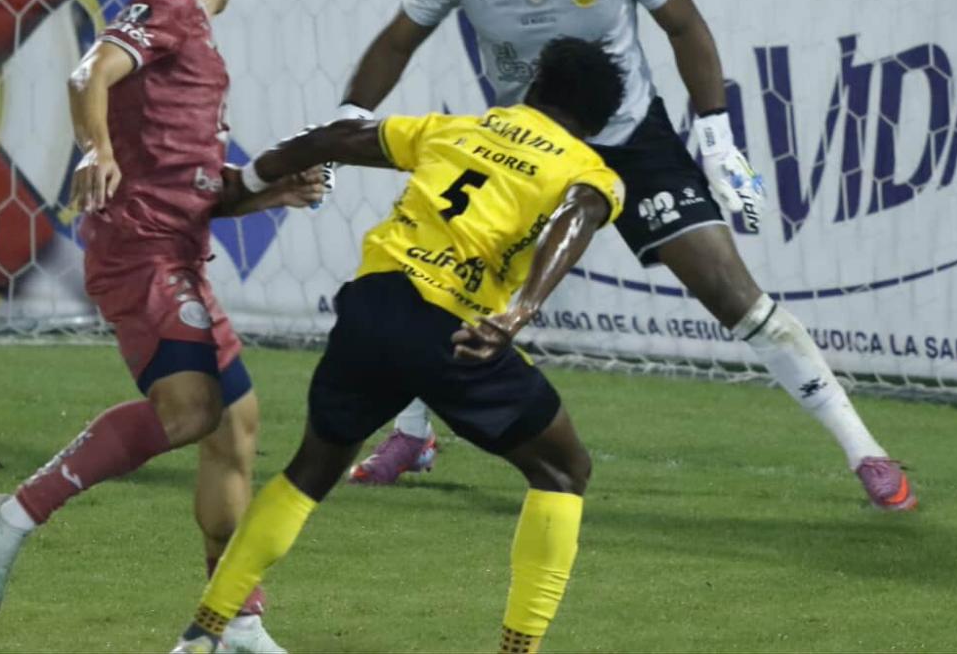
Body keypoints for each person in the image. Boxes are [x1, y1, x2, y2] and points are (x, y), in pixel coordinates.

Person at [333, 0, 914, 510]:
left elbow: (687, 28)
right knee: (444, 281)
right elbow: (398, 40)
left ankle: (866, 450)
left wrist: (719, 142)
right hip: (526, 149)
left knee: (730, 291)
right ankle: (413, 433)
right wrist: (342, 122)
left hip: (633, 138)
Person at [172, 37, 630, 654]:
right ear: (600, 120)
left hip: (374, 304)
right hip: (452, 328)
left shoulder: (457, 128)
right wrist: (521, 308)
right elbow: (576, 217)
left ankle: (205, 631)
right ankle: (519, 650)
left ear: (535, 89)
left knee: (312, 470)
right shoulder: (587, 169)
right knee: (563, 468)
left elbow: (335, 137)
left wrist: (249, 178)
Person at [0, 0, 322, 654]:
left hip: (178, 252)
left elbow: (189, 181)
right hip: (143, 253)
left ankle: (234, 619)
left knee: (235, 424)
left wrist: (268, 193)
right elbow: (87, 70)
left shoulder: (188, 33)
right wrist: (94, 144)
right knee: (193, 410)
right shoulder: (169, 8)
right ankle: (16, 510)